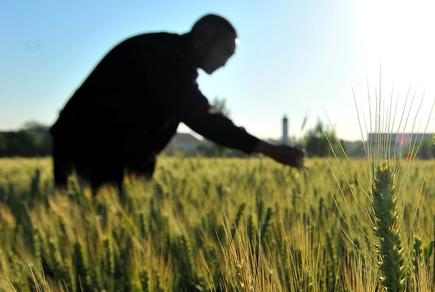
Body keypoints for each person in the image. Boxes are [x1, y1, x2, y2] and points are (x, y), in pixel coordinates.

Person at [51, 14, 304, 190]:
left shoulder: (167, 52)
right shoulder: (166, 60)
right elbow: (203, 118)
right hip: (90, 147)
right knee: (98, 223)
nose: (226, 62)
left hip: (110, 147)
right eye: (225, 52)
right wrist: (269, 150)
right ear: (201, 39)